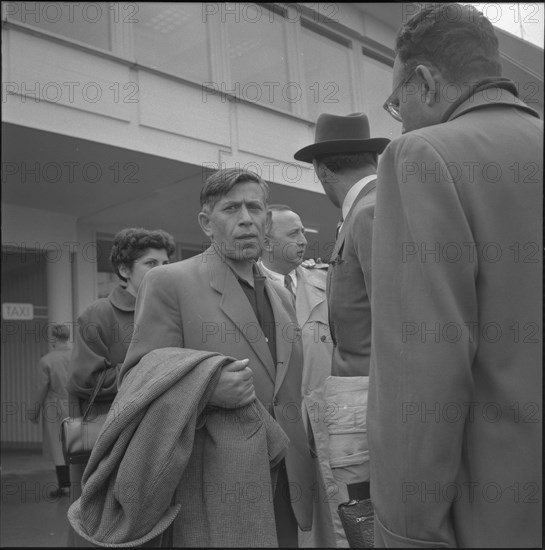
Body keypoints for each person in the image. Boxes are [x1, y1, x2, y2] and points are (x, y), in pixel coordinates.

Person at [369, 3, 542, 547]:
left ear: (425, 82)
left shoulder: (423, 157)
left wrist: (407, 532)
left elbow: (423, 372)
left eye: (396, 103)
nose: (400, 117)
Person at [118, 168, 315, 547]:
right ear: (207, 224)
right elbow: (136, 386)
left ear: (267, 221)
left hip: (287, 480)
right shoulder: (169, 283)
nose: (245, 219)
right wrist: (206, 386)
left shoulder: (283, 297)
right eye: (231, 209)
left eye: (254, 208)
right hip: (216, 486)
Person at [293, 113, 389, 516]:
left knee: (372, 523)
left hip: (372, 410)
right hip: (365, 404)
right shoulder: (372, 207)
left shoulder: (368, 212)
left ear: (322, 169)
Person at [65, 228, 175, 515]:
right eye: (151, 264)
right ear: (125, 270)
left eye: (166, 264)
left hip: (164, 438)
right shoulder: (98, 314)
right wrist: (154, 375)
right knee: (108, 521)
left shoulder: (172, 311)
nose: (161, 271)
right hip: (113, 443)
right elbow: (85, 380)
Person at [260, 204, 348, 548]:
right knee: (285, 513)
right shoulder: (249, 288)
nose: (303, 240)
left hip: (327, 415)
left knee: (333, 506)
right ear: (266, 240)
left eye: (303, 232)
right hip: (278, 422)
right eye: (293, 233)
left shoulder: (325, 281)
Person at [29, 323, 72, 497]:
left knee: (58, 445)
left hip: (54, 405)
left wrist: (34, 412)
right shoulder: (78, 356)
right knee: (78, 444)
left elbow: (41, 389)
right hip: (77, 404)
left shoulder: (46, 360)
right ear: (68, 337)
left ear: (53, 338)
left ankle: (65, 486)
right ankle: (80, 485)